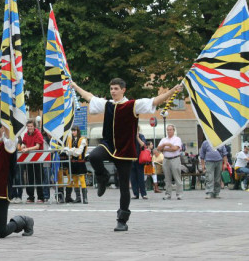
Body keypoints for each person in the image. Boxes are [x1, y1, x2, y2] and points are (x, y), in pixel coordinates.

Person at [72, 78, 182, 231]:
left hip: (125, 150)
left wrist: (173, 90)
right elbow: (89, 97)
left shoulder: (133, 105)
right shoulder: (107, 104)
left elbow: (155, 101)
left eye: (116, 88)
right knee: (94, 156)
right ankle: (102, 176)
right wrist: (75, 86)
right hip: (109, 145)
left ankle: (122, 220)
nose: (113, 91)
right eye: (111, 89)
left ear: (123, 90)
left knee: (124, 186)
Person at [21, 119, 45, 203]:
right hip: (28, 158)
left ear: (34, 126)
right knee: (29, 178)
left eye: (31, 126)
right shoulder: (25, 134)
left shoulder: (38, 133)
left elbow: (37, 146)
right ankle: (30, 197)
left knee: (39, 178)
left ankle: (41, 197)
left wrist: (27, 148)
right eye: (28, 126)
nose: (30, 128)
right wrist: (23, 146)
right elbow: (23, 143)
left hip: (38, 158)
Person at [157, 125, 183, 200]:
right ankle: (168, 194)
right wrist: (166, 145)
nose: (169, 131)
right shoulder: (163, 139)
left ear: (173, 130)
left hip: (175, 159)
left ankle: (179, 194)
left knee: (177, 177)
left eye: (170, 130)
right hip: (166, 159)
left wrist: (166, 146)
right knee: (167, 178)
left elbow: (175, 149)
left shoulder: (177, 139)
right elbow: (158, 148)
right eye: (168, 130)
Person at [66, 125, 88, 204]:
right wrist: (73, 150)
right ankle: (78, 197)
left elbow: (79, 152)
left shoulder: (83, 140)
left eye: (74, 131)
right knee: (74, 179)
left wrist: (71, 150)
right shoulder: (70, 139)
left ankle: (85, 198)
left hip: (80, 162)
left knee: (82, 179)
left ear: (78, 131)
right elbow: (67, 152)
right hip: (73, 162)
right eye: (72, 131)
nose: (73, 132)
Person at [130, 126, 147, 199]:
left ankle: (143, 194)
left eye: (136, 129)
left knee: (141, 178)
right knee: (133, 178)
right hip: (131, 160)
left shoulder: (141, 136)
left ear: (138, 130)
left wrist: (137, 137)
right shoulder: (129, 137)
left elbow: (143, 144)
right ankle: (135, 194)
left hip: (140, 160)